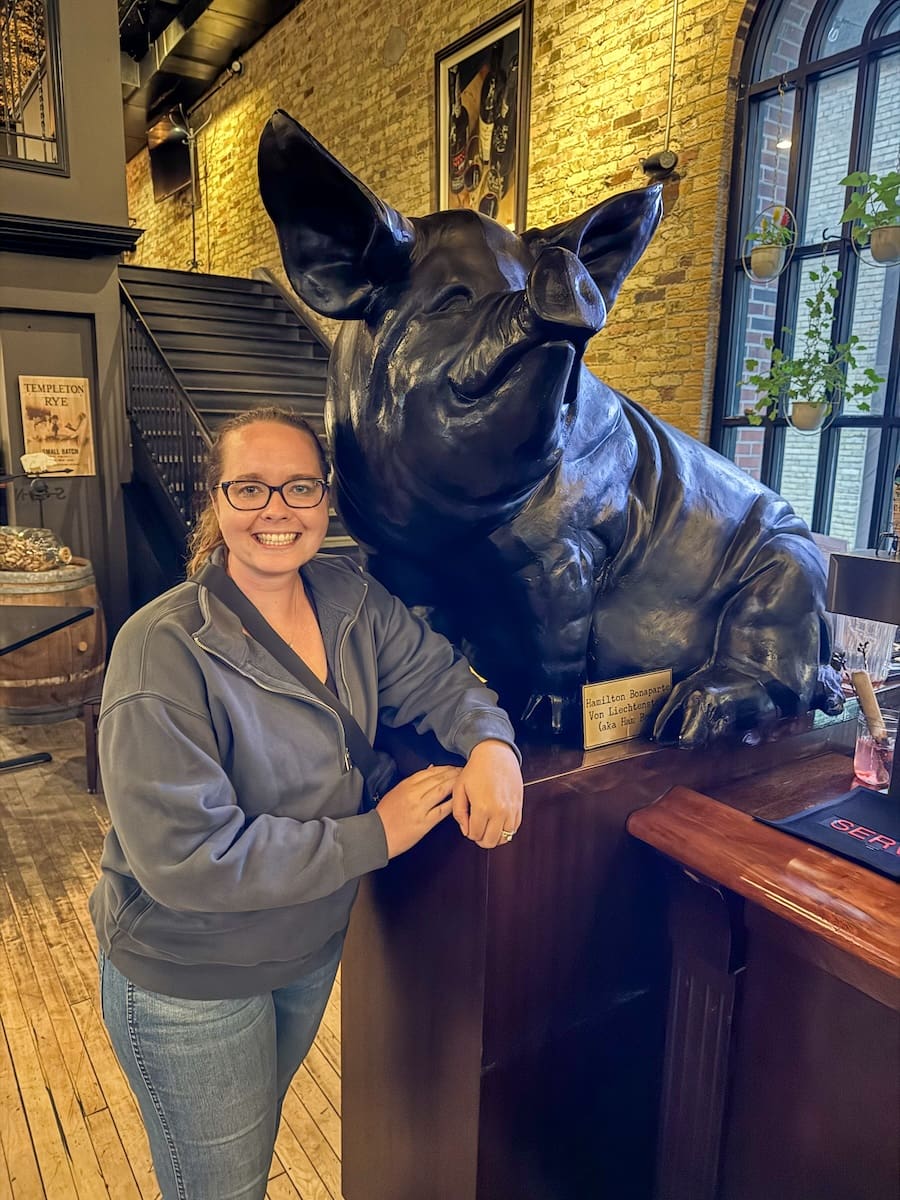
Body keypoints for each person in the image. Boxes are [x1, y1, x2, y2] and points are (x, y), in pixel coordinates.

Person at [90, 405, 523, 1199]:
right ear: (216, 503)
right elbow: (186, 861)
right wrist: (374, 837)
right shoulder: (163, 647)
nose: (276, 511)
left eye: (299, 487)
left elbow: (438, 680)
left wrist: (492, 742)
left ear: (326, 500)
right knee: (223, 1189)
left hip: (305, 947)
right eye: (249, 489)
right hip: (192, 980)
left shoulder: (347, 595)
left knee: (249, 1159)